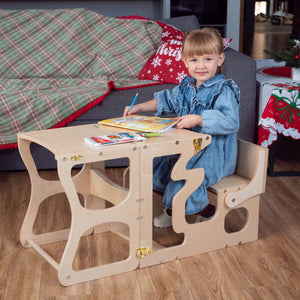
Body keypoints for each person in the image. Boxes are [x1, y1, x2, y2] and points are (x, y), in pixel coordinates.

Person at [123, 27, 240, 228]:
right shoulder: (186, 86)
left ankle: (205, 211)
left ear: (219, 60)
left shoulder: (224, 90)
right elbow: (166, 101)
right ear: (185, 62)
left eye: (207, 59)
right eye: (194, 60)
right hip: (187, 147)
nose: (201, 66)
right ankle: (173, 207)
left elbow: (231, 121)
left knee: (185, 175)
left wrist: (199, 119)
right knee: (155, 166)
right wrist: (139, 107)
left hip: (214, 154)